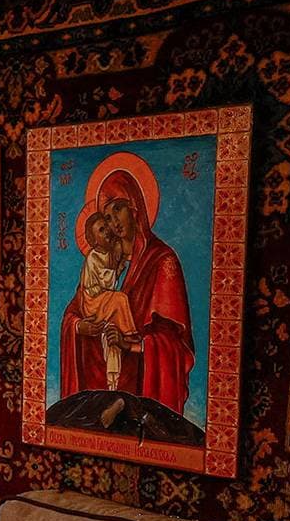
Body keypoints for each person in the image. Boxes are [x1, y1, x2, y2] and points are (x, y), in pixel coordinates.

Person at [57, 165, 197, 415]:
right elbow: (74, 312)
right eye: (107, 217)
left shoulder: (162, 261)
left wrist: (130, 345)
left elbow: (174, 343)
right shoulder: (102, 261)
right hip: (96, 386)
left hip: (138, 387)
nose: (113, 222)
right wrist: (79, 327)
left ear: (134, 206)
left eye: (118, 209)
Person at [75, 211, 136, 391]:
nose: (108, 230)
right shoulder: (93, 257)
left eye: (106, 226)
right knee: (119, 299)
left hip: (103, 300)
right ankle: (130, 332)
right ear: (93, 241)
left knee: (112, 333)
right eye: (101, 230)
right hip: (93, 301)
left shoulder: (111, 251)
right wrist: (117, 270)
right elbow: (103, 282)